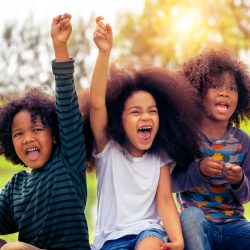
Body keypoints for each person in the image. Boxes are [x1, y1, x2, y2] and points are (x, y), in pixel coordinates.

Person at [87, 16, 202, 250]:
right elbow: (97, 103)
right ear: (119, 120)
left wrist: (177, 240)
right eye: (136, 112)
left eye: (152, 111)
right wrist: (104, 54)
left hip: (149, 232)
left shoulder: (159, 157)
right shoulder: (107, 149)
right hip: (110, 240)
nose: (146, 117)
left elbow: (164, 200)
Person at [0, 14, 90, 249]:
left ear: (55, 135)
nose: (28, 138)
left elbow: (67, 106)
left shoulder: (68, 161)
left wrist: (60, 46)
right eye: (18, 134)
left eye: (37, 129)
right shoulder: (15, 187)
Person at [172, 48, 250, 250]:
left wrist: (239, 180)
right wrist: (198, 170)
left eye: (232, 88)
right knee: (190, 216)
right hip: (198, 224)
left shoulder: (243, 141)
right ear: (197, 92)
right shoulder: (187, 136)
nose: (225, 92)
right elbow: (171, 183)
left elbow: (246, 196)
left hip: (233, 224)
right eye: (215, 86)